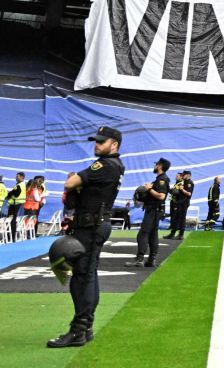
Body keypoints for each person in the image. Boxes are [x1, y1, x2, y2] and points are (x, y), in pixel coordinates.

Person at [46, 126, 124, 349]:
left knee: (82, 276)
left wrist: (76, 181)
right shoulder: (112, 165)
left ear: (114, 145)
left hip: (92, 226)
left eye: (102, 142)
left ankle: (79, 331)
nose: (97, 145)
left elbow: (70, 183)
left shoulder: (106, 165)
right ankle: (85, 328)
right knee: (87, 274)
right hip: (91, 224)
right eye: (96, 141)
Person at [127, 158, 171, 268]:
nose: (155, 166)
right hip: (155, 211)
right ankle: (151, 260)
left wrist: (149, 189)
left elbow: (161, 196)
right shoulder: (160, 179)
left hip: (153, 211)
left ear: (160, 166)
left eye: (156, 164)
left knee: (143, 234)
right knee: (152, 235)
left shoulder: (162, 180)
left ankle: (139, 259)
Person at [164, 170, 194, 239]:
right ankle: (172, 234)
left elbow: (189, 194)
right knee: (176, 218)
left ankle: (181, 235)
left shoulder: (190, 183)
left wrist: (182, 189)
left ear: (188, 175)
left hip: (184, 203)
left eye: (184, 174)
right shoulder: (183, 182)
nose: (183, 175)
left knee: (182, 218)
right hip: (179, 202)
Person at [5, 170, 25, 241]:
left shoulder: (19, 185)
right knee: (14, 221)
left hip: (15, 205)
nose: (16, 177)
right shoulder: (21, 185)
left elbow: (15, 194)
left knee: (11, 221)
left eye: (17, 176)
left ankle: (10, 237)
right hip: (18, 205)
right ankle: (12, 237)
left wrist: (9, 194)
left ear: (22, 177)